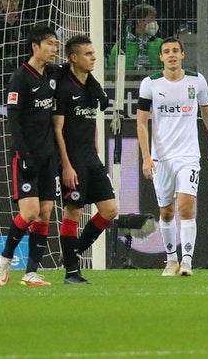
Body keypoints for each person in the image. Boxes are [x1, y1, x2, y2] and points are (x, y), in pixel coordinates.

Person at [136, 37, 208, 277]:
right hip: (161, 158)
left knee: (186, 207)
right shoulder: (150, 84)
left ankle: (186, 261)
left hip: (188, 155)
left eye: (176, 50)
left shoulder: (197, 81)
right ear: (161, 57)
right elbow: (142, 122)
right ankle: (171, 260)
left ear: (183, 54)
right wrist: (146, 157)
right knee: (166, 212)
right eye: (166, 51)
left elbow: (207, 113)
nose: (172, 54)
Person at [53, 35, 138, 284]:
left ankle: (74, 251)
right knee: (74, 212)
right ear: (73, 58)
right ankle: (71, 272)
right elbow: (57, 129)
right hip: (72, 160)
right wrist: (66, 165)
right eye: (88, 54)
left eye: (93, 53)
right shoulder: (64, 88)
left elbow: (91, 120)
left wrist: (95, 144)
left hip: (91, 158)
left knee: (110, 210)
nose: (94, 58)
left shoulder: (91, 86)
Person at [0, 23, 60, 287]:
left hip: (48, 155)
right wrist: (24, 154)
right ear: (35, 46)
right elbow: (13, 119)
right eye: (49, 44)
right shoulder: (20, 77)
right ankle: (5, 257)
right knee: (30, 212)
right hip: (26, 155)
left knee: (45, 212)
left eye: (56, 44)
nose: (54, 49)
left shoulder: (52, 74)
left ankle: (31, 272)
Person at [108, 3, 163, 72]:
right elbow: (112, 70)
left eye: (155, 19)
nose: (154, 23)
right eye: (151, 19)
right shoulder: (121, 45)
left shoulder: (160, 44)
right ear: (139, 21)